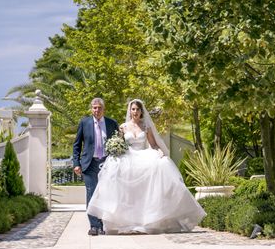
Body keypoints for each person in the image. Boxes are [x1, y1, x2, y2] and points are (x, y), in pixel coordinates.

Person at [87, 99, 206, 234]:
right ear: (130, 111)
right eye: (133, 109)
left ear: (141, 111)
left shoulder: (146, 127)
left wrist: (160, 152)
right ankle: (123, 222)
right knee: (120, 179)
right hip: (128, 157)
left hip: (143, 156)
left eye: (138, 109)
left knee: (162, 166)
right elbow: (119, 144)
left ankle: (149, 220)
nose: (135, 112)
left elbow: (153, 144)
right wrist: (115, 150)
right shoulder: (123, 127)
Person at [73, 97, 119, 236]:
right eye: (94, 107)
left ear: (103, 109)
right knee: (91, 193)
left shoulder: (112, 123)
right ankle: (94, 226)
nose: (97, 110)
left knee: (106, 195)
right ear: (91, 109)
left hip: (107, 163)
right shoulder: (84, 123)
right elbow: (77, 145)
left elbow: (119, 142)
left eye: (99, 107)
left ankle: (103, 224)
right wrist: (76, 163)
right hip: (89, 164)